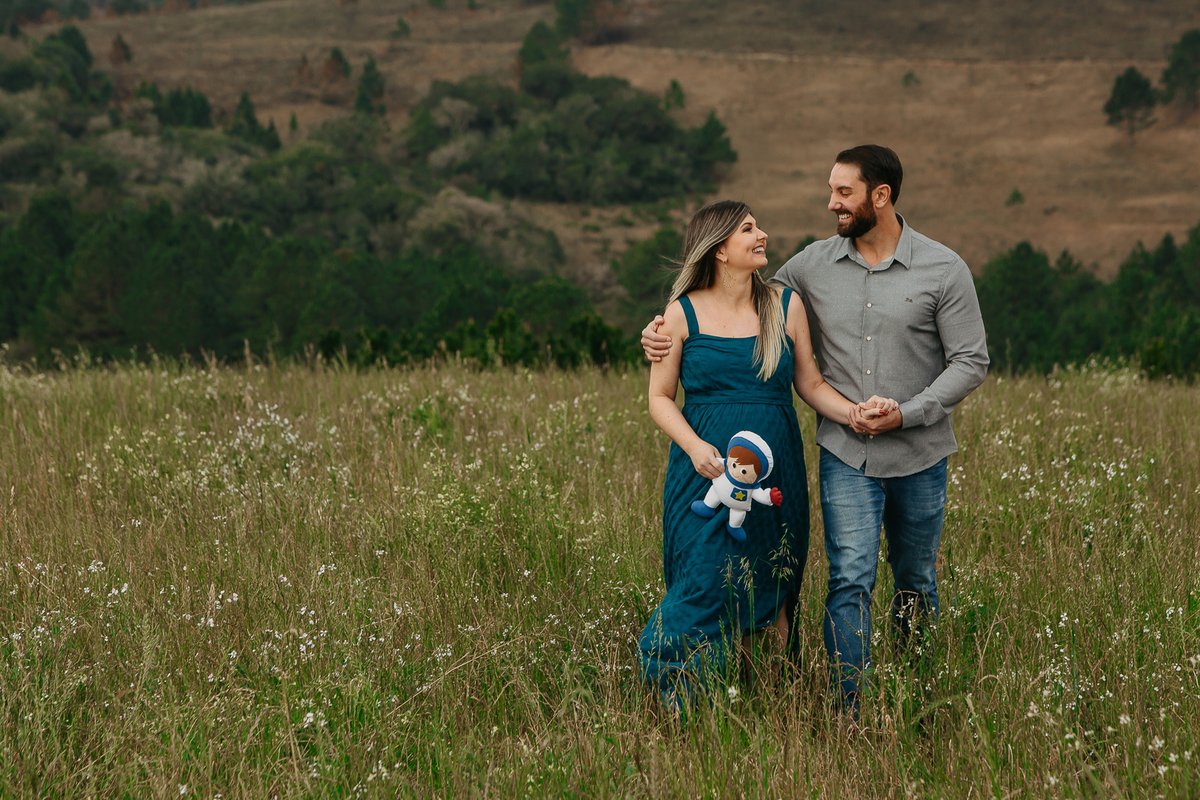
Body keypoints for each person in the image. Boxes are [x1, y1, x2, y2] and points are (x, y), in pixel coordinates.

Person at [642, 146, 989, 711]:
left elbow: (965, 361)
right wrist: (655, 334)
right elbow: (679, 368)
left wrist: (884, 412)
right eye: (748, 229)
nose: (831, 204)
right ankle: (832, 705)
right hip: (786, 460)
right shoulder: (798, 272)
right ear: (720, 247)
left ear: (880, 196)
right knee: (836, 578)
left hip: (884, 455)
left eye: (843, 192)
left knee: (901, 582)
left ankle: (900, 695)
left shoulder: (935, 270)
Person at [639, 199, 895, 705]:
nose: (762, 236)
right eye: (748, 229)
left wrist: (855, 414)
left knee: (772, 585)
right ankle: (682, 695)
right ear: (719, 250)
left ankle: (769, 707)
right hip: (702, 474)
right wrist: (695, 447)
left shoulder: (784, 305)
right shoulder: (680, 313)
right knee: (703, 579)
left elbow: (811, 383)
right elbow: (659, 398)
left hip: (777, 477)